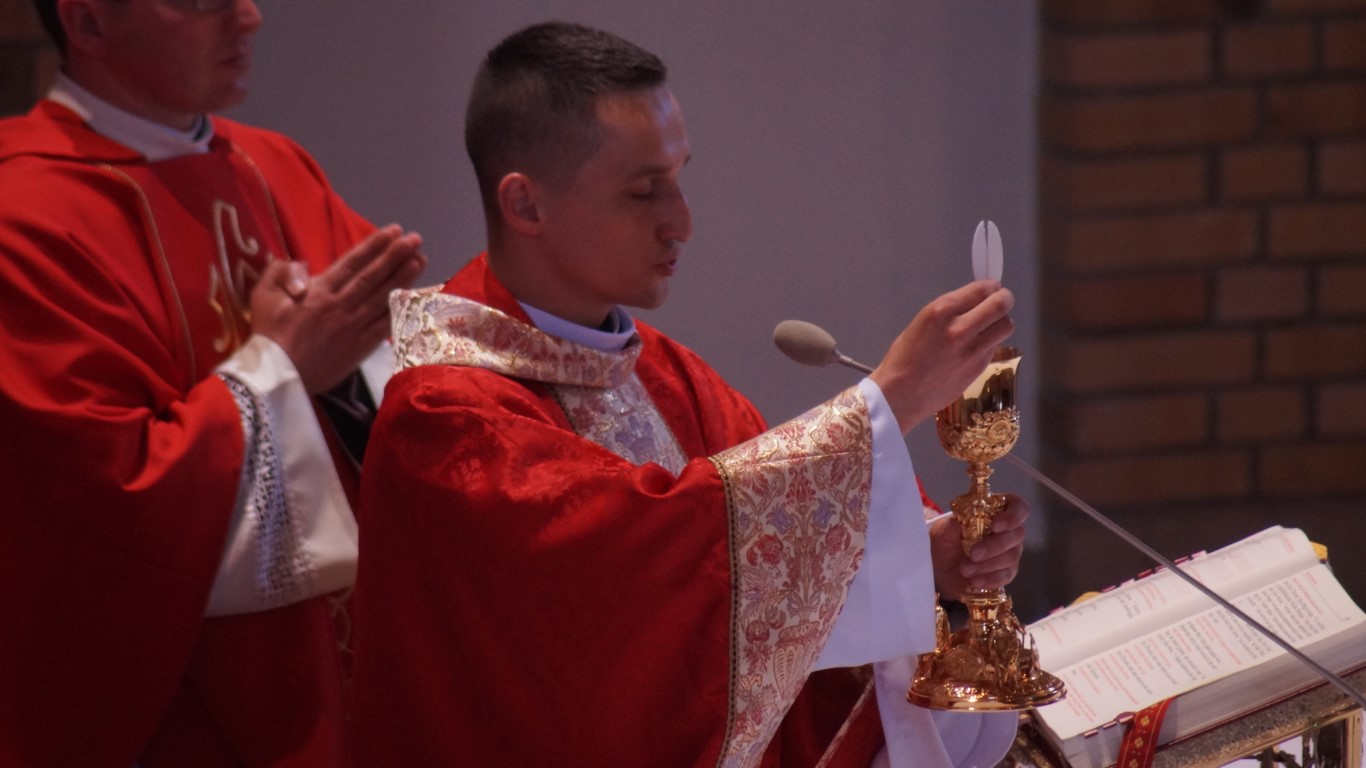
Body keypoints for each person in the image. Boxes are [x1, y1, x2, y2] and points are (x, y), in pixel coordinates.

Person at [351, 20, 1026, 768]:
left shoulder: (659, 372)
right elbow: (649, 582)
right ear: (526, 205)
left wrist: (917, 556)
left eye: (679, 178)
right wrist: (891, 400)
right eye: (644, 191)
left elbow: (758, 557)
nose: (682, 222)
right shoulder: (443, 422)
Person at [0, 0, 426, 765]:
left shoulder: (276, 166)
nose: (249, 18)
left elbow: (404, 383)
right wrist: (284, 369)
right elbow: (101, 506)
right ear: (89, 24)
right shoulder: (23, 213)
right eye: (201, 3)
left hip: (343, 686)